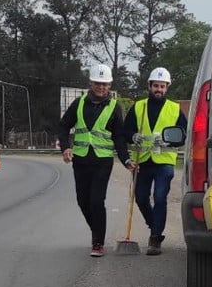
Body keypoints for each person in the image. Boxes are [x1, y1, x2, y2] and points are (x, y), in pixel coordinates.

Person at [58, 63, 137, 257]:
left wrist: (126, 160)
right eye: (97, 83)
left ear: (110, 85)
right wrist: (66, 147)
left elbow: (118, 136)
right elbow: (63, 126)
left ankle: (98, 242)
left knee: (96, 200)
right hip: (81, 160)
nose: (101, 87)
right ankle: (97, 230)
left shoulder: (114, 107)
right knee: (82, 201)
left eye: (105, 84)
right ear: (91, 83)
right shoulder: (79, 103)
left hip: (102, 161)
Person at [124, 67, 188, 256]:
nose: (159, 89)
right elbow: (126, 130)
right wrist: (133, 136)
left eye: (162, 86)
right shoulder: (138, 107)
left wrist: (170, 140)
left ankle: (155, 238)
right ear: (149, 86)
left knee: (160, 197)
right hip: (143, 161)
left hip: (164, 162)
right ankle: (154, 225)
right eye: (156, 86)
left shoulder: (174, 109)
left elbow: (183, 135)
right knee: (141, 197)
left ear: (167, 87)